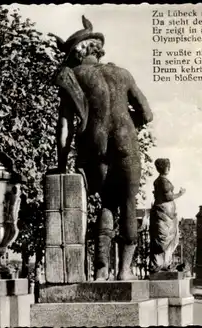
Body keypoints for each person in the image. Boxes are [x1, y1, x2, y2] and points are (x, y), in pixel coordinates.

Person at [51, 16, 154, 281]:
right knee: (128, 204)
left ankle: (100, 269)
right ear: (96, 49)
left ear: (75, 53)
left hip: (94, 147)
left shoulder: (72, 76)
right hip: (126, 142)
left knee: (106, 205)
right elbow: (147, 113)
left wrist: (62, 165)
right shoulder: (122, 74)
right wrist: (133, 123)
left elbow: (65, 127)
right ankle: (125, 272)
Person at [149, 158, 185, 273]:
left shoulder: (161, 181)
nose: (169, 168)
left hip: (167, 215)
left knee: (169, 239)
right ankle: (159, 264)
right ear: (163, 168)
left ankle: (165, 263)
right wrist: (180, 193)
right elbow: (168, 197)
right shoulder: (162, 181)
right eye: (167, 166)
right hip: (163, 214)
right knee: (163, 238)